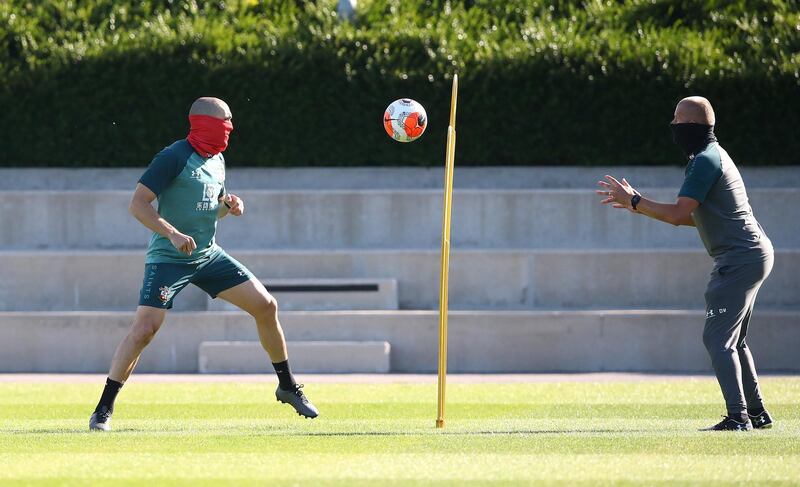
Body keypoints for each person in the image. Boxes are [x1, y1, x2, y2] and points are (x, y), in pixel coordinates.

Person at [89, 97, 318, 431]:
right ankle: (103, 410)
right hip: (170, 258)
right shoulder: (173, 157)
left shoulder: (218, 159)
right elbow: (138, 205)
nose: (230, 128)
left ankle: (286, 385)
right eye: (225, 122)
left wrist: (229, 206)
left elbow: (213, 207)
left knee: (266, 306)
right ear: (204, 123)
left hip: (208, 256)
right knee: (143, 331)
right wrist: (171, 233)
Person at [596, 96, 774, 431]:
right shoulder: (714, 155)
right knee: (735, 341)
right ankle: (757, 412)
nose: (673, 126)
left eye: (677, 120)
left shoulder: (704, 161)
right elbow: (701, 218)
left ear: (692, 125)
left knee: (717, 339)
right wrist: (639, 205)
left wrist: (635, 201)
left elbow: (680, 214)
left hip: (739, 258)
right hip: (754, 253)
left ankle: (739, 417)